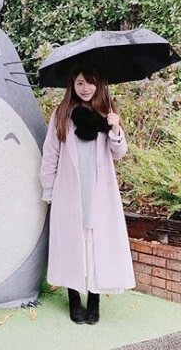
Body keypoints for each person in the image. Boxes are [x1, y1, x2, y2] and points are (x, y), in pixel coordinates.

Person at [39, 66, 136, 325]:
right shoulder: (62, 114)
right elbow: (51, 154)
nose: (85, 88)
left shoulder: (107, 113)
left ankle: (94, 301)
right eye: (80, 83)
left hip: (99, 194)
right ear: (72, 85)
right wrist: (48, 188)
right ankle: (74, 300)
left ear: (99, 85)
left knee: (96, 247)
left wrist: (115, 129)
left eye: (90, 83)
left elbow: (119, 153)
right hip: (69, 192)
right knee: (72, 246)